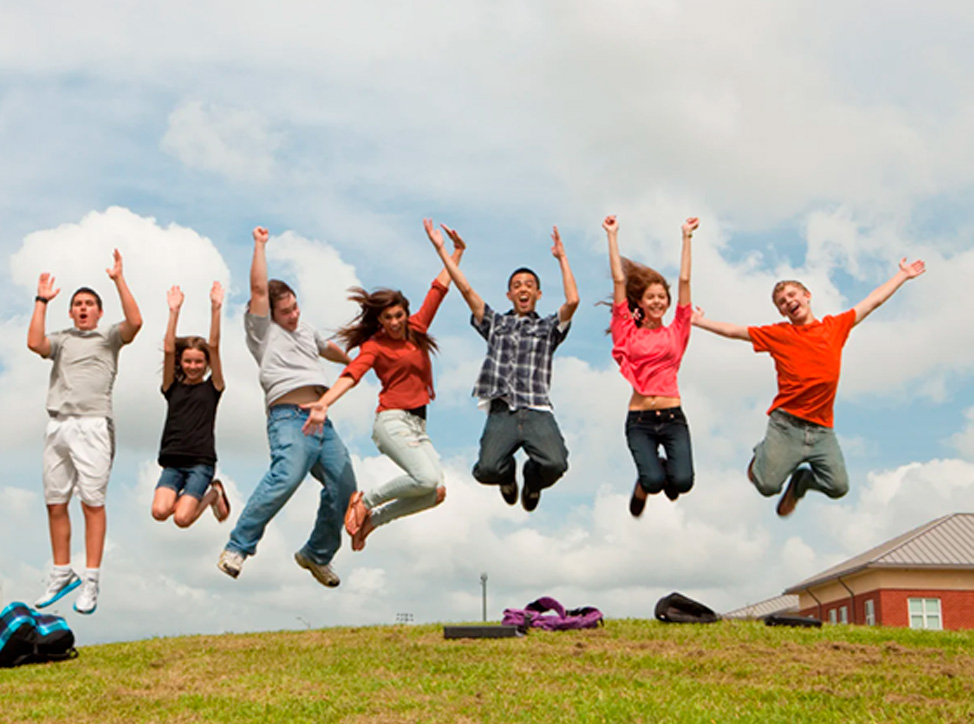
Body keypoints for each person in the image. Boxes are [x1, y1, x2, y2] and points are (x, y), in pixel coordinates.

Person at [692, 257, 926, 516]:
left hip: (822, 429)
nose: (788, 301)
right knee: (767, 486)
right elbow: (735, 332)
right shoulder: (779, 334)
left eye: (792, 295)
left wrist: (902, 276)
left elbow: (873, 302)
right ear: (782, 312)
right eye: (782, 302)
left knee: (838, 487)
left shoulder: (834, 327)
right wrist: (700, 322)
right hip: (786, 425)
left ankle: (802, 482)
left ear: (807, 296)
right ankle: (762, 454)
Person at [302, 219, 465, 550]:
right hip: (392, 421)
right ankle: (365, 502)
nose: (394, 323)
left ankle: (372, 521)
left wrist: (455, 251)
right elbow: (352, 374)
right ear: (379, 319)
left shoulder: (417, 328)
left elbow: (439, 288)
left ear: (406, 313)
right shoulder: (374, 346)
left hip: (418, 425)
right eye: (387, 318)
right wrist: (324, 402)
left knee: (435, 492)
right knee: (426, 478)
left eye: (398, 315)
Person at [217, 227, 357, 587]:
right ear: (271, 313)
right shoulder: (262, 332)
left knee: (345, 488)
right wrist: (260, 245)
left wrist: (352, 361)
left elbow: (327, 349)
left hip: (322, 420)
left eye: (295, 307)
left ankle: (316, 554)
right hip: (289, 419)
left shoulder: (305, 328)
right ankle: (238, 546)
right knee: (286, 476)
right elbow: (258, 290)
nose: (293, 315)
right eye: (285, 311)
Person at [429, 222, 579, 512]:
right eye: (517, 286)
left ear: (538, 294)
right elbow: (465, 289)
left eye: (529, 285)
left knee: (556, 463)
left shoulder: (548, 328)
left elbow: (573, 301)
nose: (523, 289)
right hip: (502, 411)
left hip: (536, 409)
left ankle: (532, 481)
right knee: (486, 470)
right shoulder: (496, 323)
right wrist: (443, 252)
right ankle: (507, 476)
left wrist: (562, 257)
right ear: (509, 294)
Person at [28, 250, 143, 615]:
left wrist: (118, 279)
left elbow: (135, 322)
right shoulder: (61, 339)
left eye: (89, 304)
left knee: (92, 504)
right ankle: (62, 573)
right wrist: (41, 300)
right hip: (58, 424)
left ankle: (91, 580)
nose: (82, 308)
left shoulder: (108, 337)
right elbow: (34, 343)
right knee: (55, 502)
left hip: (94, 425)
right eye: (77, 304)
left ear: (99, 312)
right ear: (70, 311)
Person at [603, 215, 698, 518]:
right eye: (650, 297)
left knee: (683, 483)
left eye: (662, 297)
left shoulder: (678, 329)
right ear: (641, 303)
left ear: (668, 303)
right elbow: (619, 281)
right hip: (640, 420)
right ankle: (648, 480)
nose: (657, 301)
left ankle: (663, 470)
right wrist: (612, 235)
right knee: (654, 483)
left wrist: (686, 237)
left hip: (672, 418)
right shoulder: (626, 331)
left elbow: (685, 281)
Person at [151, 282, 229, 528]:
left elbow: (214, 346)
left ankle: (213, 494)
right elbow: (168, 349)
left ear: (206, 364)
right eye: (188, 361)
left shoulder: (213, 387)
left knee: (182, 519)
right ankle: (198, 498)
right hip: (173, 462)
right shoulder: (171, 387)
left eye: (198, 362)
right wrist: (174, 312)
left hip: (200, 463)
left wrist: (216, 309)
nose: (193, 366)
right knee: (159, 512)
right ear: (181, 362)